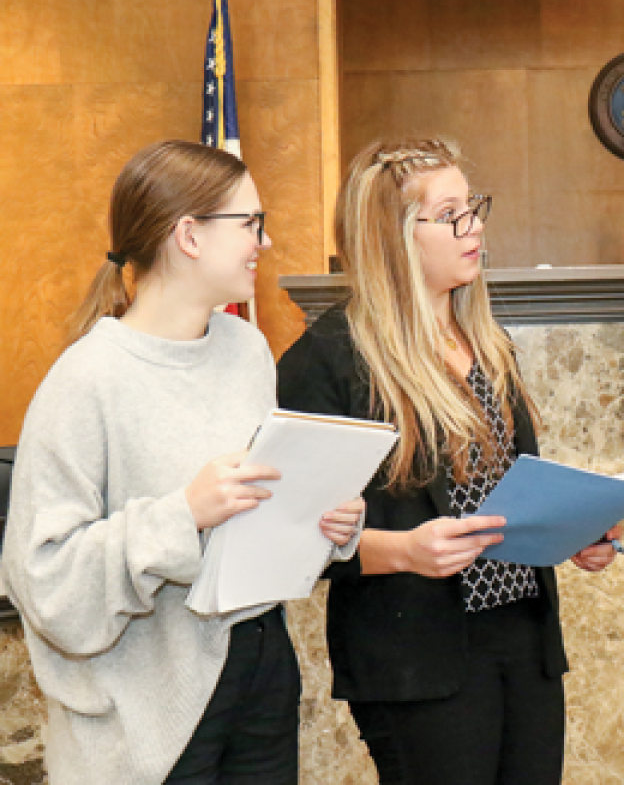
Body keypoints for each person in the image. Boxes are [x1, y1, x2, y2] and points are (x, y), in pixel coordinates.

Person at [0, 140, 364, 785]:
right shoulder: (86, 380)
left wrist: (322, 517)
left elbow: (255, 510)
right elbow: (43, 583)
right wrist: (182, 515)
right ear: (189, 235)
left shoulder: (247, 349)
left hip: (259, 666)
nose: (265, 241)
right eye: (249, 223)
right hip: (144, 710)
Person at [275, 138, 622, 785]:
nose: (476, 226)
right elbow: (291, 538)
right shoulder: (331, 358)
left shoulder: (486, 342)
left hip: (524, 640)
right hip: (417, 658)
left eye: (475, 207)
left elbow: (517, 493)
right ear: (395, 234)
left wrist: (577, 529)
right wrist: (403, 550)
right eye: (452, 212)